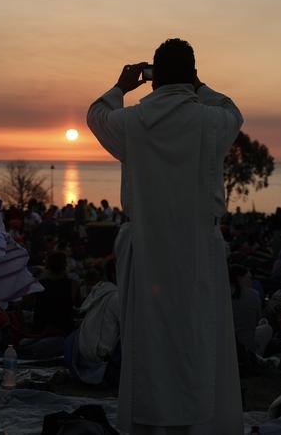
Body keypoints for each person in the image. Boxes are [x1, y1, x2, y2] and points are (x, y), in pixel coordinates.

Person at [87, 38, 243, 433]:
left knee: (150, 339)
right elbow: (232, 111)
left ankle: (151, 424)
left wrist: (121, 86)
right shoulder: (211, 121)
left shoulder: (133, 124)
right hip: (197, 251)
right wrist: (198, 85)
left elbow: (96, 114)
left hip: (150, 252)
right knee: (198, 335)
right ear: (191, 75)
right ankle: (199, 422)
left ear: (152, 79)